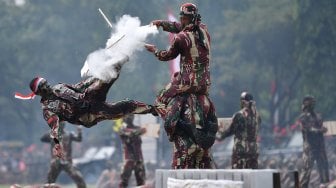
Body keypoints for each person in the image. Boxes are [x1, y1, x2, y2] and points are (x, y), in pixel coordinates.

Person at [15, 58, 155, 158]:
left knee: (106, 78)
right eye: (43, 86)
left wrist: (96, 77)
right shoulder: (47, 109)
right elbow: (54, 127)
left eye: (45, 83)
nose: (47, 86)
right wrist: (57, 145)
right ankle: (152, 109)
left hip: (87, 97)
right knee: (121, 107)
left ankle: (120, 59)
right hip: (87, 115)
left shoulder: (58, 87)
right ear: (39, 92)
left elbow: (79, 87)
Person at [144, 2, 211, 118]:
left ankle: (172, 121)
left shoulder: (180, 38)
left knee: (159, 102)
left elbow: (166, 56)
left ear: (184, 18)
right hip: (205, 84)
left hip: (186, 83)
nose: (181, 20)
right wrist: (161, 23)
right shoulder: (204, 30)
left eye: (182, 18)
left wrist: (155, 50)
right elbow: (181, 27)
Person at [216, 92, 261, 169]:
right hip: (254, 149)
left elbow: (230, 131)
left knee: (238, 172)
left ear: (243, 102)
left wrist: (218, 135)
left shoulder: (239, 115)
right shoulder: (258, 116)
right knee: (252, 173)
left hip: (241, 149)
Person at [40, 122, 86, 188]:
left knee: (78, 177)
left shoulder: (69, 134)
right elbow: (42, 138)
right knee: (50, 181)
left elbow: (79, 139)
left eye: (62, 124)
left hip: (67, 161)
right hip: (56, 162)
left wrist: (79, 131)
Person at [298, 95, 329, 188]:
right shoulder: (303, 117)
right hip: (310, 147)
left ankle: (325, 184)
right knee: (306, 170)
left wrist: (325, 129)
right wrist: (320, 130)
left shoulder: (318, 115)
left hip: (320, 146)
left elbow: (321, 126)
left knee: (323, 167)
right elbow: (308, 128)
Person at [118, 114, 146, 188]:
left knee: (141, 183)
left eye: (131, 115)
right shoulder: (122, 128)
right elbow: (129, 132)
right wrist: (139, 131)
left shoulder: (137, 128)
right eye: (128, 115)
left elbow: (145, 131)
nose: (130, 117)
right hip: (129, 159)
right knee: (123, 182)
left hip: (139, 158)